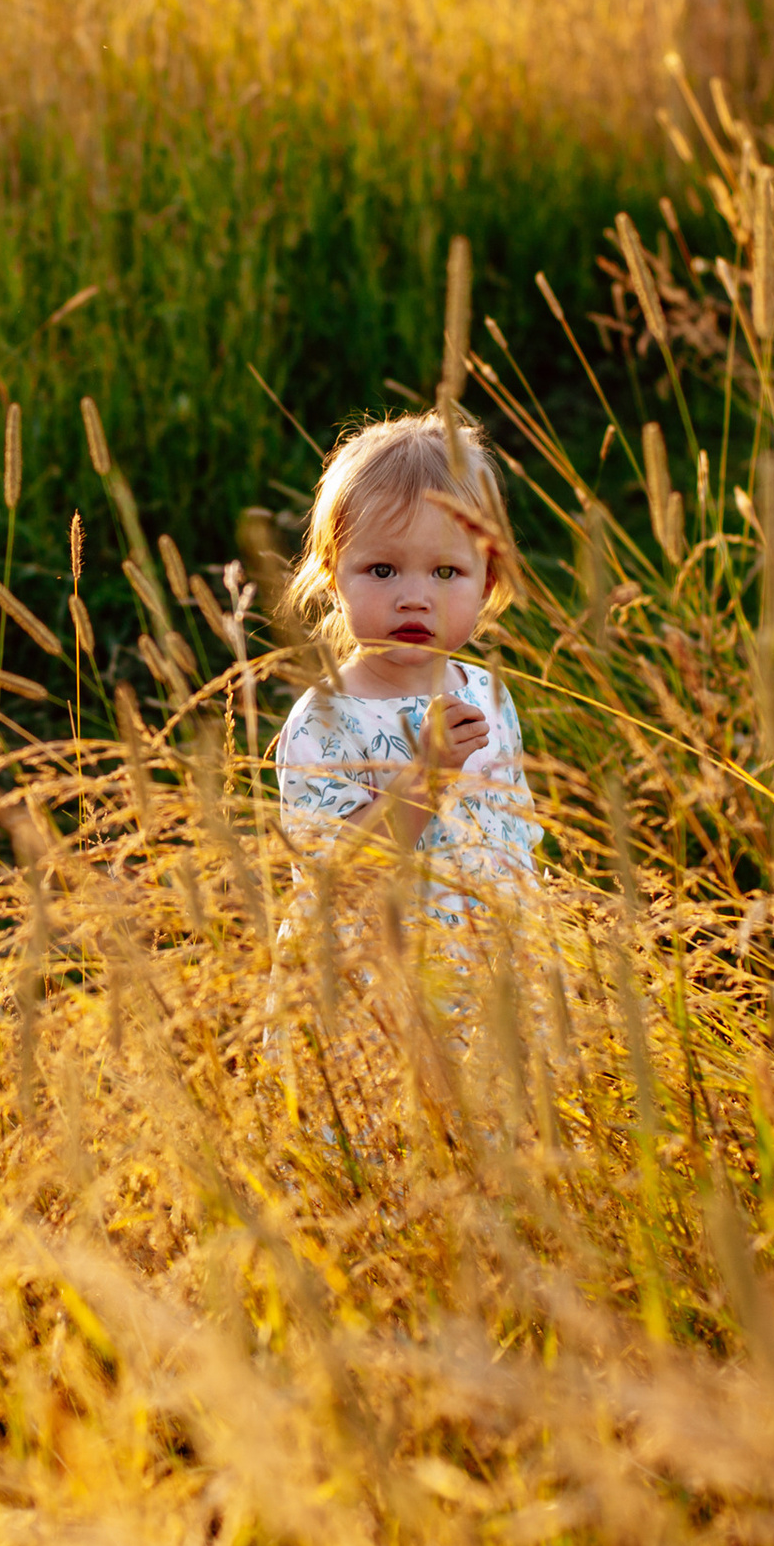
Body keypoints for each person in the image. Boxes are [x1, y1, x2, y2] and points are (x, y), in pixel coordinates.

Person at [266, 411, 542, 1130]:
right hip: (372, 995)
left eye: (446, 572)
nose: (413, 596)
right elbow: (339, 875)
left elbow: (513, 835)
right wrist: (426, 777)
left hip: (483, 981)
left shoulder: (488, 695)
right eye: (382, 570)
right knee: (383, 1158)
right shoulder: (327, 719)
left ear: (487, 580)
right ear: (333, 574)